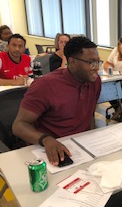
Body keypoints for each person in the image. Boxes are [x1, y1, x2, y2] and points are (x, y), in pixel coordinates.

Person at [12, 36, 102, 166]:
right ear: (72, 62)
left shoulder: (94, 81)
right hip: (49, 148)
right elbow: (19, 125)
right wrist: (45, 139)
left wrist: (92, 136)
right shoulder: (45, 85)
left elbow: (89, 114)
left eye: (98, 62)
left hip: (80, 147)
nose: (96, 68)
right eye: (91, 62)